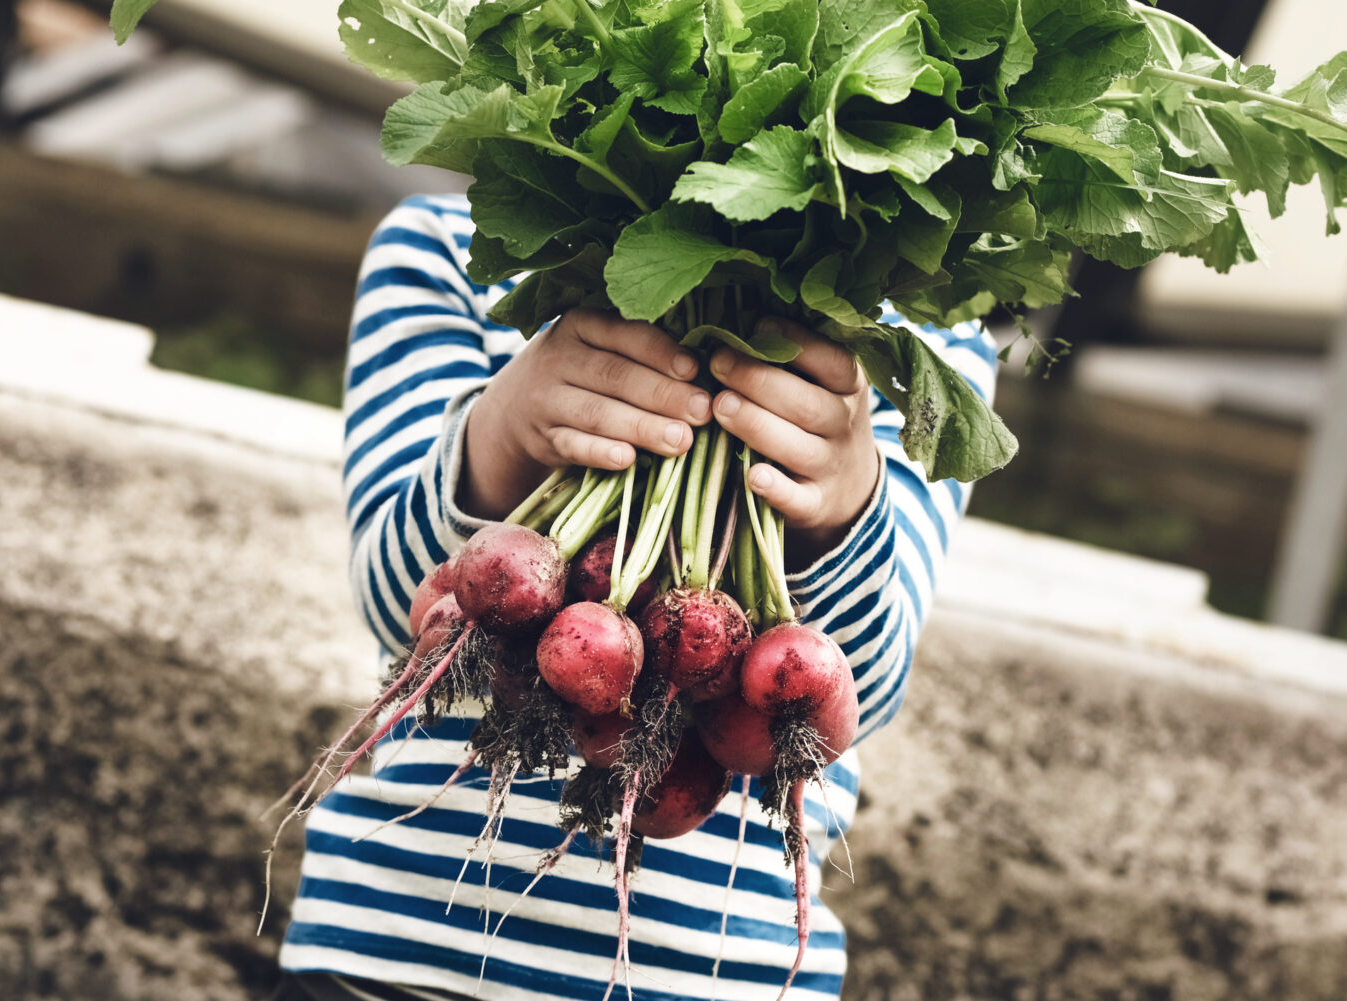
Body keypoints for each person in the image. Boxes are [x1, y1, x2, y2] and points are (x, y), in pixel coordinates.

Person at [272, 193, 997, 1001]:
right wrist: (506, 431)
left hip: (717, 974)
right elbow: (390, 598)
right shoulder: (457, 246)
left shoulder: (917, 347)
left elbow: (860, 686)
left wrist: (840, 501)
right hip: (392, 948)